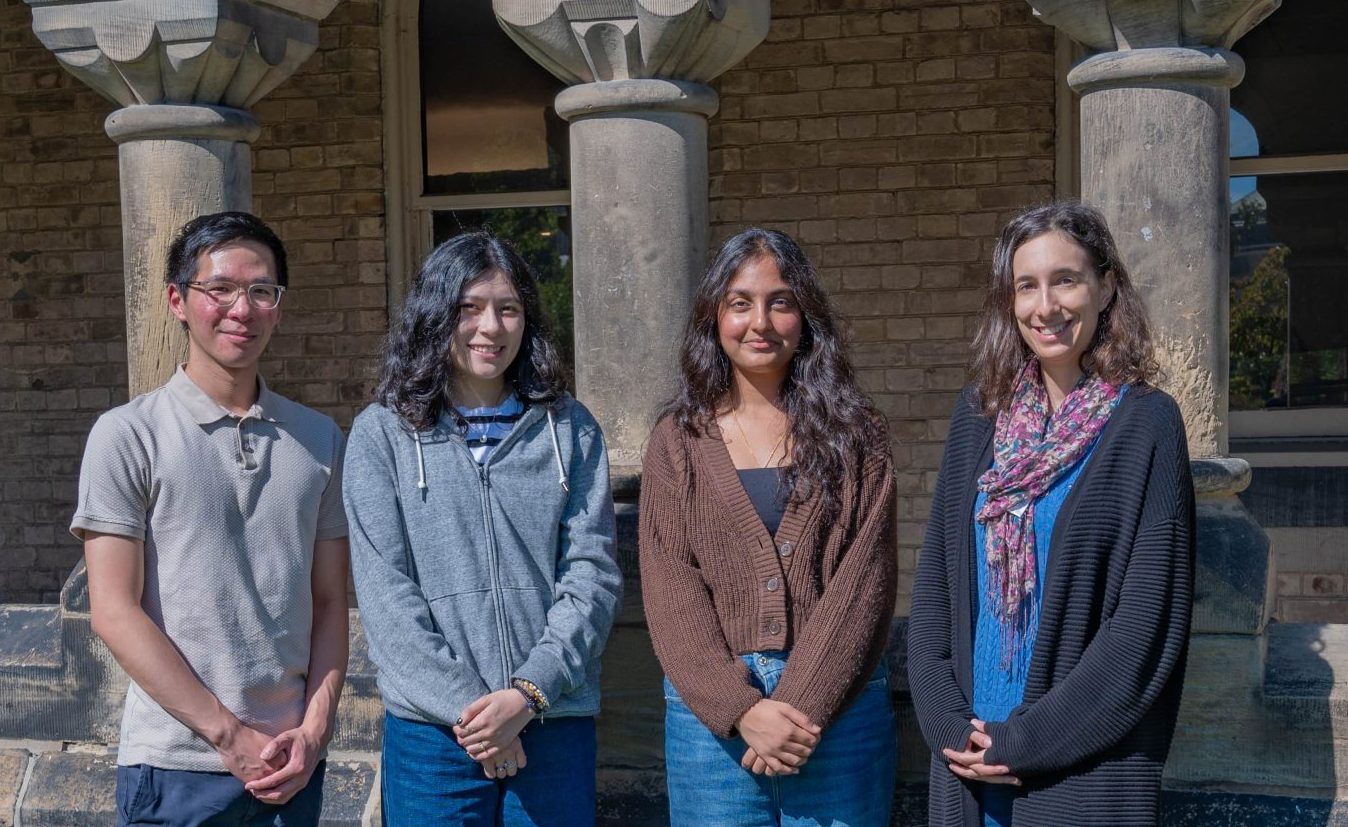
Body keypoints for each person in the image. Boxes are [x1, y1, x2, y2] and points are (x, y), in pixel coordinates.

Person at [908, 201, 1196, 826]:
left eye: (1066, 280)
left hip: (1078, 772)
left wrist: (1025, 743)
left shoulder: (1146, 424)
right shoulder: (978, 415)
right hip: (967, 767)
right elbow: (936, 589)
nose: (1047, 306)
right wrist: (946, 723)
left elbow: (1144, 629)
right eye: (1026, 286)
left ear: (1106, 287)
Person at [73, 212, 350, 826]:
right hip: (176, 764)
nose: (241, 308)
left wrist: (315, 730)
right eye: (219, 289)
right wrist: (229, 737)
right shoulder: (129, 436)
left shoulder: (320, 439)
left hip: (291, 766)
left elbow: (331, 601)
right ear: (178, 300)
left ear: (278, 306)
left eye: (261, 291)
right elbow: (113, 611)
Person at [343, 231, 622, 827]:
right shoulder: (382, 435)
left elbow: (591, 575)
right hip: (435, 737)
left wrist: (526, 696)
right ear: (434, 316)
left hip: (552, 720)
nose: (489, 328)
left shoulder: (571, 429)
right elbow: (387, 595)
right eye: (467, 309)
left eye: (508, 309)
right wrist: (480, 718)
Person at [640, 227, 898, 826]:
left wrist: (797, 708)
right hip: (713, 722)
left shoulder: (856, 436)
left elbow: (866, 583)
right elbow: (669, 585)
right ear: (715, 317)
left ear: (805, 317)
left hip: (838, 714)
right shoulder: (677, 443)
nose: (760, 321)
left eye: (781, 302)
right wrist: (741, 709)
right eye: (740, 303)